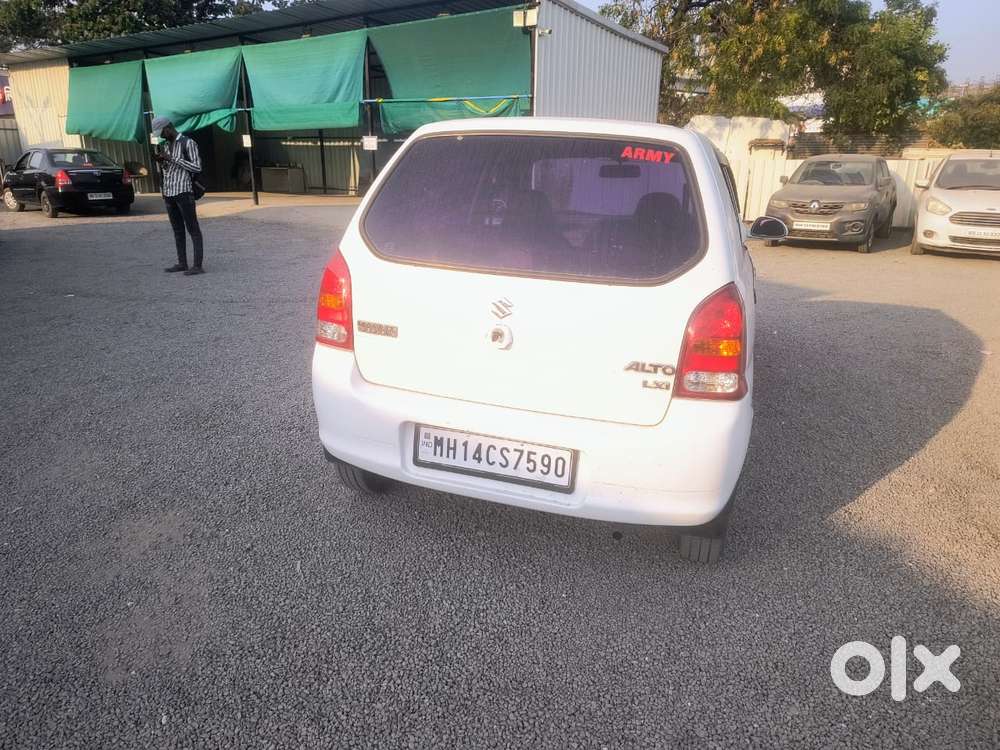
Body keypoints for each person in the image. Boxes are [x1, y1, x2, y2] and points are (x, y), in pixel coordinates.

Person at [151, 116, 205, 276]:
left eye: (162, 133)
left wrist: (172, 158)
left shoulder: (188, 143)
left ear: (168, 128)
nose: (161, 136)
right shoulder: (167, 145)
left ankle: (197, 265)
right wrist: (162, 162)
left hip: (184, 191)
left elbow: (197, 167)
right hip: (169, 192)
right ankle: (182, 262)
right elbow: (170, 168)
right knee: (177, 230)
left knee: (193, 229)